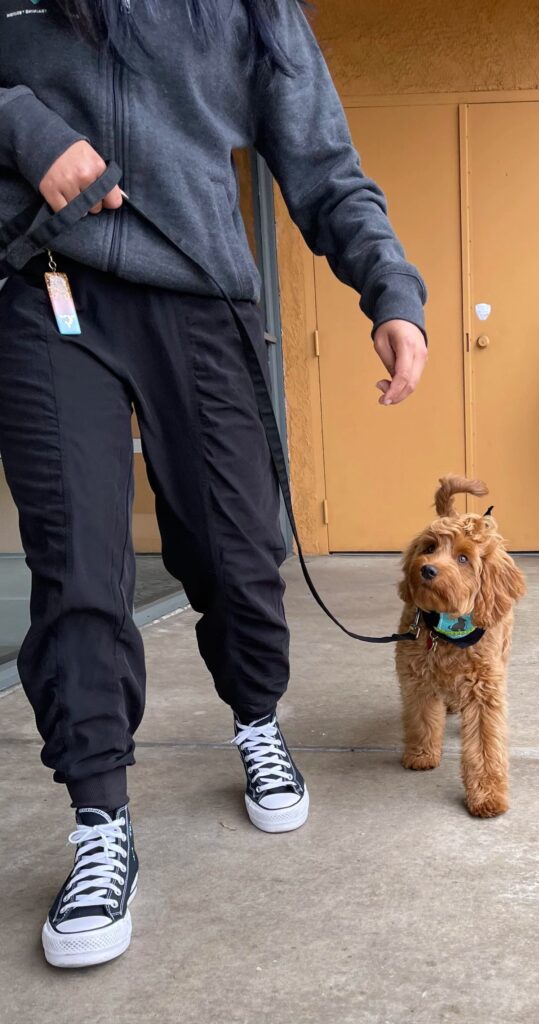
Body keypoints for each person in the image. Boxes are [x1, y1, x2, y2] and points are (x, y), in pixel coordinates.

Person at [0, 0, 428, 969]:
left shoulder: (252, 9)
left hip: (199, 299)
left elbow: (321, 162)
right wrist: (24, 126)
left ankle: (256, 716)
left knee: (236, 555)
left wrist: (389, 290)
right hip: (48, 286)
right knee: (76, 562)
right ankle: (100, 820)